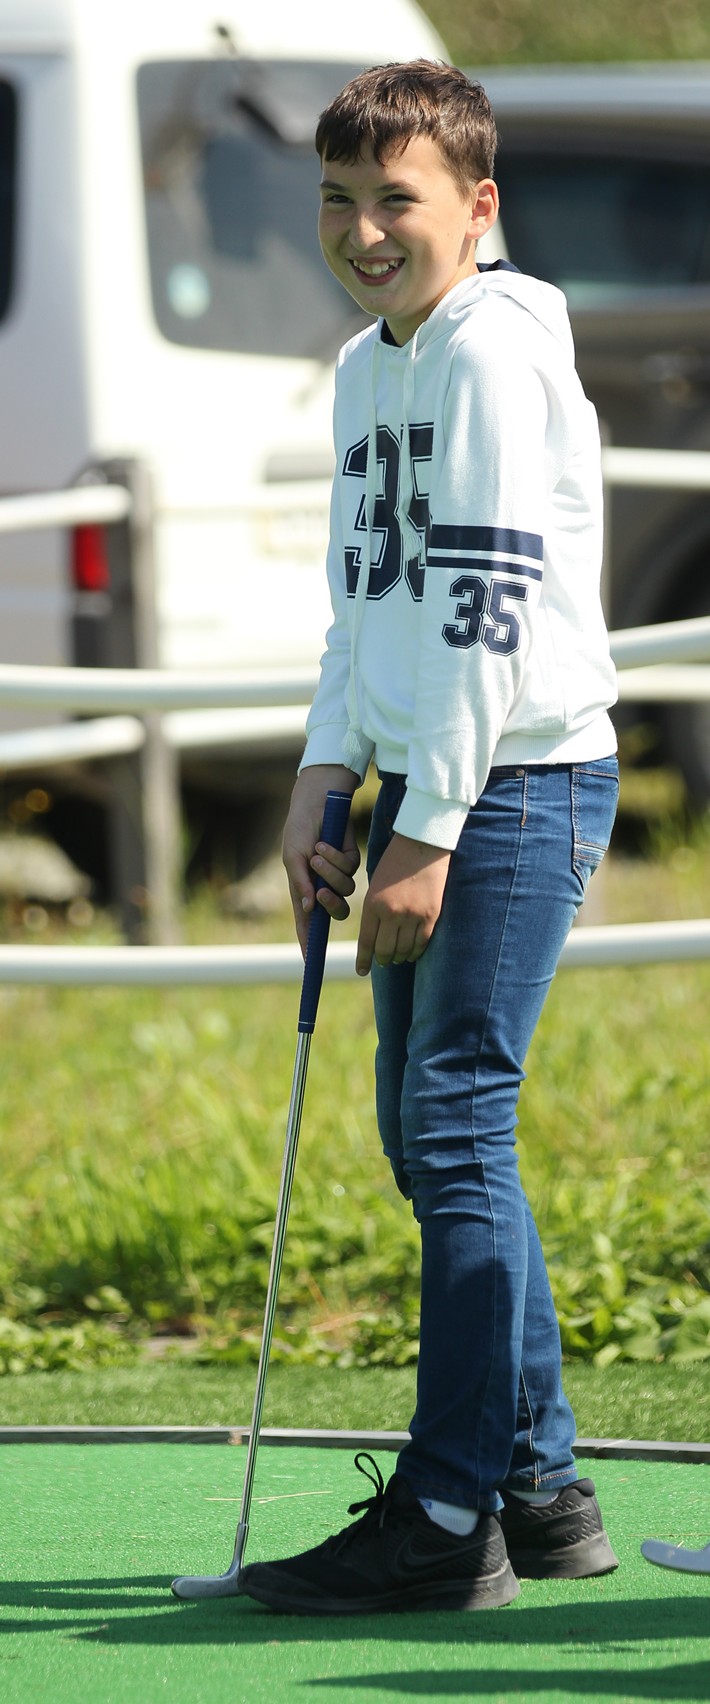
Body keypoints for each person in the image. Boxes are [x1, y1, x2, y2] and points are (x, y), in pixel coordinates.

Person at [239, 59, 620, 1616]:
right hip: (431, 790)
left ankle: (449, 1512)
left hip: (514, 785)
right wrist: (326, 779)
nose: (362, 228)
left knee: (453, 1125)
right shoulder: (364, 365)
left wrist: (430, 829)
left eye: (394, 199)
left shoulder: (492, 358)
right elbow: (368, 603)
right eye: (338, 199)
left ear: (476, 206)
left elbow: (479, 607)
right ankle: (540, 1491)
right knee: (427, 1134)